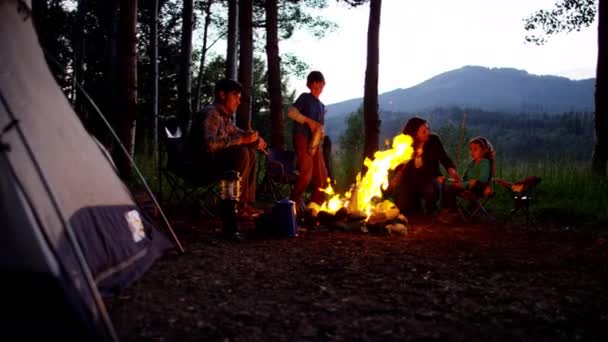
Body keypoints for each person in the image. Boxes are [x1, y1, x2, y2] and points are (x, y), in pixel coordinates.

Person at [185, 78, 267, 221]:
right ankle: (236, 206)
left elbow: (238, 133)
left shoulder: (224, 118)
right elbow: (209, 145)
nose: (238, 101)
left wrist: (253, 139)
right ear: (222, 95)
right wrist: (242, 140)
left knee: (250, 153)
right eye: (235, 96)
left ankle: (245, 204)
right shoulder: (211, 113)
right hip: (200, 166)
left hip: (214, 164)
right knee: (241, 153)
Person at [389, 117, 460, 216]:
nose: (427, 133)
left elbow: (443, 157)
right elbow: (400, 165)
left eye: (428, 129)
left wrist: (451, 169)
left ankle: (431, 209)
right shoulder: (405, 144)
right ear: (414, 134)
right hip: (409, 180)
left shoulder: (433, 140)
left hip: (429, 177)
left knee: (431, 191)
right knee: (403, 206)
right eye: (423, 131)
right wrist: (397, 177)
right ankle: (415, 206)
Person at [287, 71, 329, 208]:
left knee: (321, 174)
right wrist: (308, 121)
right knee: (306, 171)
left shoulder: (321, 106)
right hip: (302, 137)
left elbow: (320, 126)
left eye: (320, 87)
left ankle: (315, 205)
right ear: (308, 86)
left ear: (324, 85)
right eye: (314, 87)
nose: (317, 90)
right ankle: (294, 202)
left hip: (315, 143)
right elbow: (291, 112)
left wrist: (321, 134)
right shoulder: (305, 98)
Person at [438, 136, 494, 223]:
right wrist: (451, 180)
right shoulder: (472, 164)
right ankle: (446, 210)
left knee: (451, 188)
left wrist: (463, 184)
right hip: (468, 186)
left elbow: (482, 180)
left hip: (478, 188)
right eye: (471, 149)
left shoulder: (485, 163)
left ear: (484, 150)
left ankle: (453, 213)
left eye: (475, 149)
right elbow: (464, 180)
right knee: (445, 185)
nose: (472, 152)